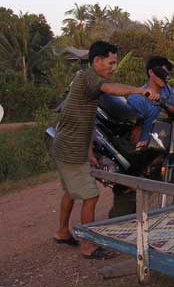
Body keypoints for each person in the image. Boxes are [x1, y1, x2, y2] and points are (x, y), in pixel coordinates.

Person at [52, 41, 159, 258]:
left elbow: (88, 120)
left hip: (68, 146)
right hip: (70, 149)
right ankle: (87, 246)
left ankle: (62, 232)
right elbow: (112, 88)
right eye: (111, 63)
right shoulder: (89, 77)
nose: (113, 67)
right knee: (90, 195)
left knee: (71, 191)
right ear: (97, 60)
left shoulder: (87, 84)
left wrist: (90, 152)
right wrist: (141, 91)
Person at [127, 56, 174, 148]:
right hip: (148, 147)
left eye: (167, 74)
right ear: (151, 72)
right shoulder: (137, 99)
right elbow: (134, 133)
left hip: (168, 142)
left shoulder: (167, 90)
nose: (165, 77)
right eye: (162, 73)